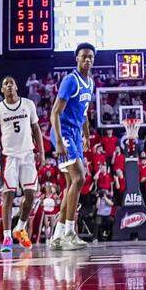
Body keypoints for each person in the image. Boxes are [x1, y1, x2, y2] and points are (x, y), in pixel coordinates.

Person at [0, 75, 44, 252]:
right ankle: (7, 237)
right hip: (9, 157)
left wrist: (41, 151)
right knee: (8, 196)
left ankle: (20, 228)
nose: (9, 85)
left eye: (11, 82)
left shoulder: (28, 104)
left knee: (31, 195)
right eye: (5, 84)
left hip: (28, 155)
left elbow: (36, 129)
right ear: (2, 90)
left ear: (17, 86)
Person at [49, 44, 94, 251]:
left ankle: (56, 236)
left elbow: (84, 113)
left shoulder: (90, 82)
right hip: (64, 132)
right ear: (77, 58)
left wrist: (86, 135)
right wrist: (58, 140)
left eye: (90, 57)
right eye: (84, 57)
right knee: (79, 178)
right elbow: (55, 112)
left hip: (75, 134)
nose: (87, 60)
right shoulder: (70, 80)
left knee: (70, 185)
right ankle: (69, 232)